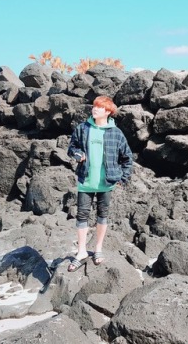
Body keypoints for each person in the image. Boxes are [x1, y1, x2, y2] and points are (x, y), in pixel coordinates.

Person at [67, 96, 133, 271]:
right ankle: (81, 252)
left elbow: (127, 157)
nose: (94, 109)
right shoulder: (83, 128)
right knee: (82, 216)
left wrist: (122, 177)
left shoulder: (116, 133)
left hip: (106, 182)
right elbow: (71, 147)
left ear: (108, 111)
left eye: (99, 107)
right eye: (94, 106)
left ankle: (98, 249)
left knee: (102, 216)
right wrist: (77, 155)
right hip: (86, 181)